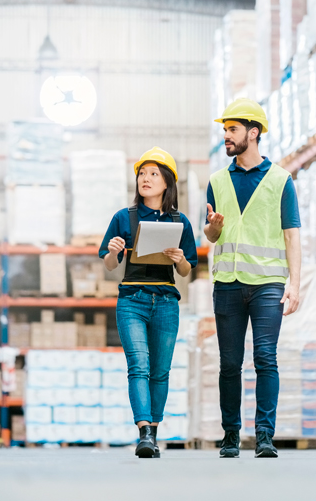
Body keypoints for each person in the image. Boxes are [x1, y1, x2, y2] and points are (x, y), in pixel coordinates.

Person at [204, 98, 301, 459]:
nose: (226, 136)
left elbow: (292, 235)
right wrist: (212, 230)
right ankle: (231, 434)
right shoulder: (216, 181)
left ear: (253, 132)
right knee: (229, 363)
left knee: (265, 357)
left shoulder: (280, 180)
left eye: (232, 129)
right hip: (227, 284)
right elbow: (211, 237)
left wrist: (295, 283)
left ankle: (264, 435)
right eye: (225, 130)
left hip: (268, 285)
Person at [100, 147, 198, 458]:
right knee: (138, 366)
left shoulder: (179, 221)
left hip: (167, 302)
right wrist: (114, 250)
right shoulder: (123, 217)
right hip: (132, 300)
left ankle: (153, 433)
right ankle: (143, 432)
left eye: (154, 173)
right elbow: (109, 264)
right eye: (143, 173)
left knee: (160, 371)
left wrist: (180, 258)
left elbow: (186, 270)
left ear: (167, 182)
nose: (146, 178)